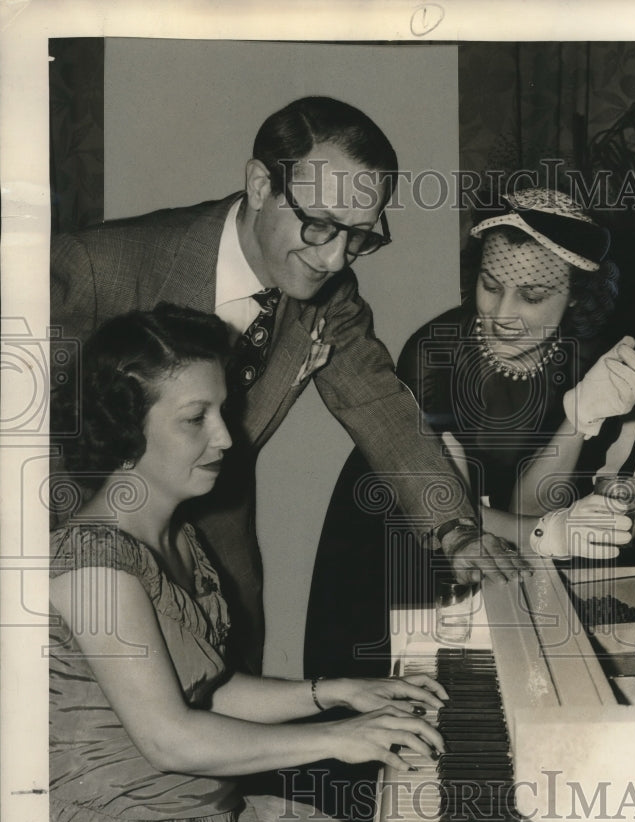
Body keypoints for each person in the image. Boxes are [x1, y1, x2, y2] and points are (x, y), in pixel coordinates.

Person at [50, 95, 525, 677]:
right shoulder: (95, 268)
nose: (332, 257)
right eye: (319, 223)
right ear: (258, 185)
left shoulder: (331, 299)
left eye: (358, 236)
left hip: (218, 552)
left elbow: (381, 408)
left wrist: (455, 530)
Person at [49, 304, 449, 822]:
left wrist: (336, 692)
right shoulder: (91, 564)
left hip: (211, 819)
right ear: (125, 429)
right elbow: (169, 736)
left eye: (223, 412)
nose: (227, 438)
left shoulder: (175, 533)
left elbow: (211, 688)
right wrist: (339, 739)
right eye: (194, 419)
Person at [306, 187, 635, 680]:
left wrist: (579, 419)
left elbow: (532, 503)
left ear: (575, 297)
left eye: (531, 296)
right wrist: (546, 535)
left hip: (506, 547)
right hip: (404, 536)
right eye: (491, 285)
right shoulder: (434, 355)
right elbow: (457, 512)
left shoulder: (586, 358)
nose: (503, 315)